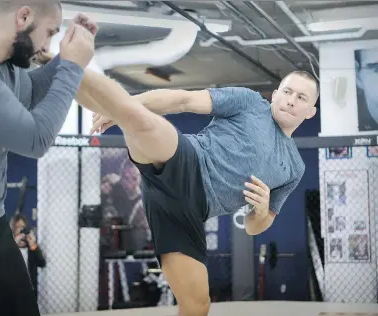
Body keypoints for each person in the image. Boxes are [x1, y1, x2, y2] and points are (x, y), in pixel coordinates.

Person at [74, 67, 319, 315]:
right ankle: (70, 69)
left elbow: (253, 226)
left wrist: (262, 210)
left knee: (197, 307)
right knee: (137, 119)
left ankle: (115, 103)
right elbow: (184, 100)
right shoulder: (250, 102)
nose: (291, 100)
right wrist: (128, 105)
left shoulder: (294, 168)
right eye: (287, 91)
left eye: (301, 97)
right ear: (275, 94)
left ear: (311, 112)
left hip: (186, 213)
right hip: (187, 162)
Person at [0, 1, 97, 315]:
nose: (47, 45)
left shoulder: (7, 65)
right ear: (24, 16)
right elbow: (34, 140)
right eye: (50, 33)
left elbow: (30, 94)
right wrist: (72, 66)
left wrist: (66, 55)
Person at [10, 214, 47, 300]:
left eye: (23, 227)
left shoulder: (31, 249)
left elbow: (42, 263)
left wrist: (33, 245)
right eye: (17, 227)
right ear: (13, 230)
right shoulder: (8, 247)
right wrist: (14, 244)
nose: (21, 230)